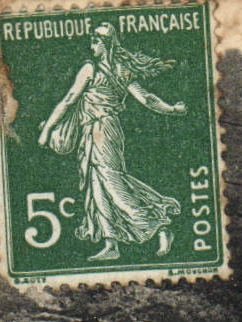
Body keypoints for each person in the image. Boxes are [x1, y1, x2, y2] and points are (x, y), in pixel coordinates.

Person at [37, 24, 185, 261]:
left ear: (104, 44)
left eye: (94, 42)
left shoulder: (90, 68)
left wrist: (46, 130)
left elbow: (68, 100)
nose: (91, 46)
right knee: (97, 186)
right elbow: (147, 98)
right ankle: (111, 243)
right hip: (96, 131)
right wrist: (173, 109)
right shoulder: (122, 69)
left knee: (112, 183)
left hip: (101, 131)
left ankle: (158, 226)